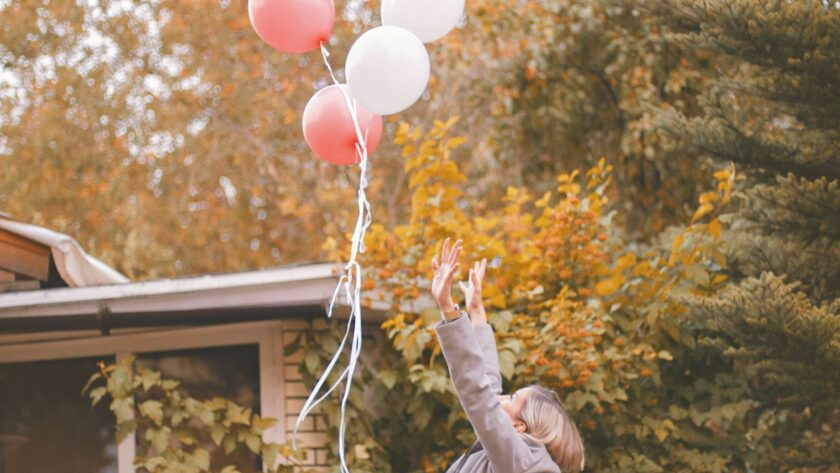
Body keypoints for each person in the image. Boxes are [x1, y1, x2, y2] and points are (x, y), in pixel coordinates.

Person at [431, 238, 586, 473]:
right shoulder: (517, 459)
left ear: (518, 426)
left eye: (511, 399)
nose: (499, 398)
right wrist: (476, 311)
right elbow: (486, 383)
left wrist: (448, 308)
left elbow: (480, 393)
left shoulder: (520, 463)